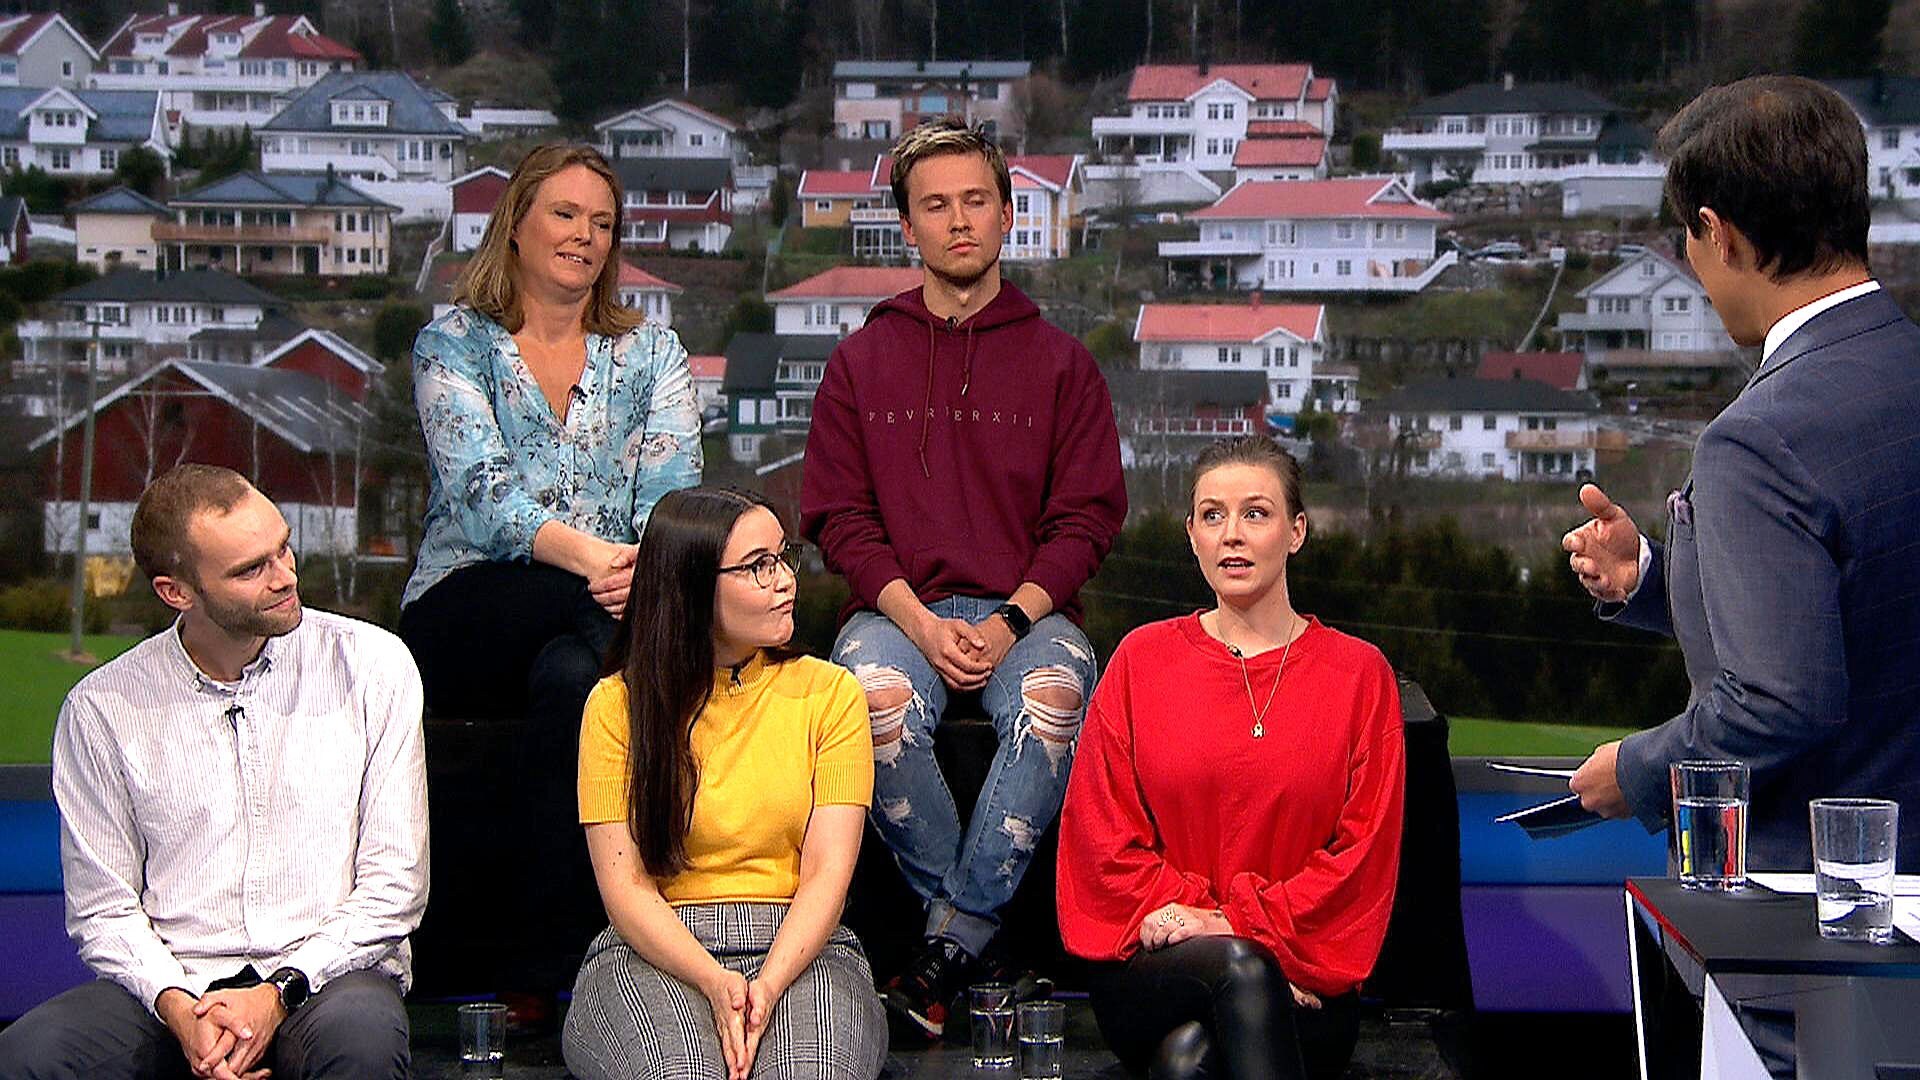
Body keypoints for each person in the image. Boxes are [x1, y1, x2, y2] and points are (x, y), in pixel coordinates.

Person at [800, 117, 1127, 1038]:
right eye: (935, 205)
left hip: (1030, 613)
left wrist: (1008, 623)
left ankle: (945, 948)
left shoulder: (1064, 364)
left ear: (1009, 214)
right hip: (893, 611)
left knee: (1056, 698)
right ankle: (978, 945)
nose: (958, 221)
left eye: (976, 201)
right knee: (869, 701)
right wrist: (920, 621)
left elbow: (1087, 519)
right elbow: (838, 518)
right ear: (908, 226)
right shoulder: (860, 361)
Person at [1563, 76, 1920, 870]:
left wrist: (1639, 770)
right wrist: (1651, 578)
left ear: (1718, 235)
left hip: (1808, 898)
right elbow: (1863, 608)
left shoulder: (1758, 439)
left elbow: (1783, 700)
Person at [399, 142, 702, 1010]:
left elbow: (674, 497)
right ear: (517, 226)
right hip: (469, 606)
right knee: (596, 633)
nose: (584, 236)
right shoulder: (453, 345)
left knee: (577, 680)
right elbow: (485, 498)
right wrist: (609, 569)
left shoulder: (653, 353)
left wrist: (638, 571)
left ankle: (547, 975)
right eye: (565, 214)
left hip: (601, 614)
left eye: (602, 223)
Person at [0, 465, 427, 1080]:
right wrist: (180, 1008)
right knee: (28, 1056)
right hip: (172, 986)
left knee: (362, 1043)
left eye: (283, 548)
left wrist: (277, 993)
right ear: (177, 592)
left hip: (326, 978)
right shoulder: (102, 709)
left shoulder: (372, 667)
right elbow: (104, 909)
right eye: (251, 570)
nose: (286, 577)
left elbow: (395, 886)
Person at [1057, 437, 1405, 1080]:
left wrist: (1230, 924)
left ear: (1296, 532)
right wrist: (1226, 938)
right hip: (1157, 961)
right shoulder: (1140, 661)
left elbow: (1362, 862)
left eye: (1256, 513)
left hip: (1308, 971)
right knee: (1243, 974)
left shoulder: (1361, 676)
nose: (1232, 535)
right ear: (1191, 535)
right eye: (1212, 515)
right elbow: (1100, 845)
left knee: (1189, 1061)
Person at [562, 487, 887, 1080]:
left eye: (783, 558)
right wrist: (714, 980)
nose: (785, 580)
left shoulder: (831, 694)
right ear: (691, 588)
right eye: (759, 567)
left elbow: (827, 876)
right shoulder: (616, 707)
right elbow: (626, 889)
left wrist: (766, 986)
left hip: (798, 945)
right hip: (657, 948)